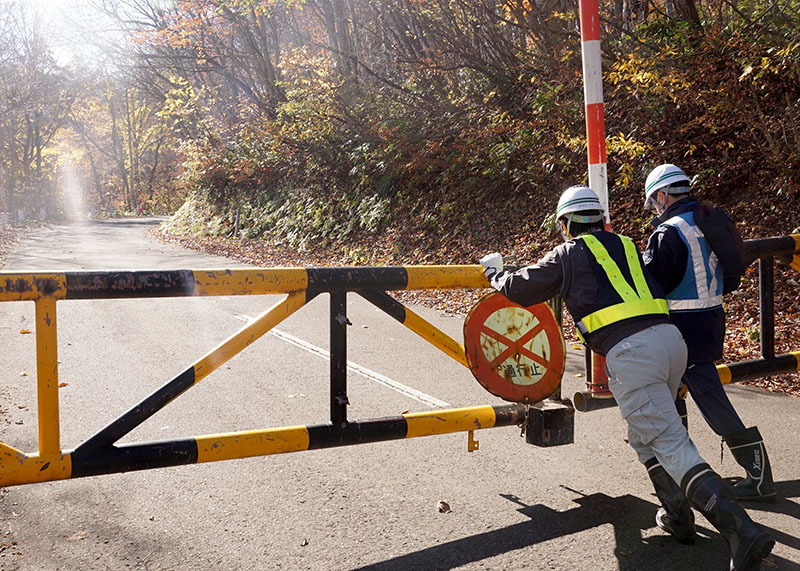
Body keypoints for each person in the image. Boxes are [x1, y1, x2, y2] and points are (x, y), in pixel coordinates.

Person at [480, 185, 773, 570]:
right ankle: (677, 517)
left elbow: (520, 288)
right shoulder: (629, 245)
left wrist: (494, 271)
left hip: (631, 354)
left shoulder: (568, 253)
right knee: (646, 434)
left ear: (565, 226)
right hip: (671, 342)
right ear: (603, 220)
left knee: (670, 443)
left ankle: (741, 532)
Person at [642, 164, 775, 503]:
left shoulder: (668, 232)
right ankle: (686, 469)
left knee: (706, 396)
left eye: (654, 202)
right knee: (679, 392)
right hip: (711, 316)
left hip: (681, 325)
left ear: (661, 195)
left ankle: (756, 474)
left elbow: (653, 284)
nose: (655, 209)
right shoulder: (709, 219)